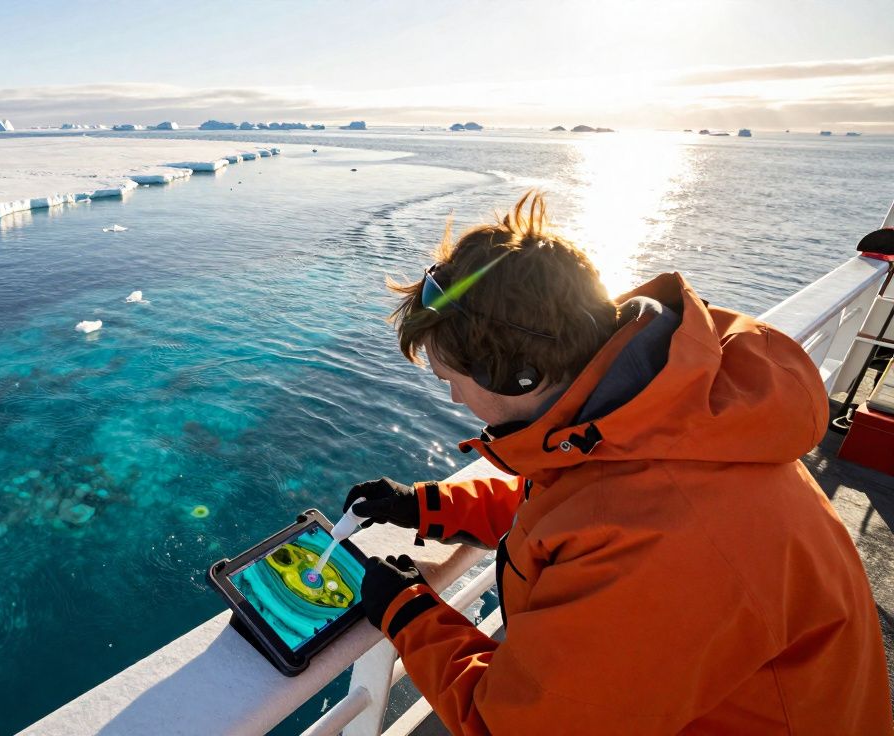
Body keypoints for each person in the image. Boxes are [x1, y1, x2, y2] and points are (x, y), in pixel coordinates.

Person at [346, 192, 892, 734]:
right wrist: (425, 506)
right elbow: (575, 512)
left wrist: (408, 614)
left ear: (516, 375)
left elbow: (510, 725)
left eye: (451, 381)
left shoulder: (665, 540)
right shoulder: (666, 420)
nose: (455, 402)